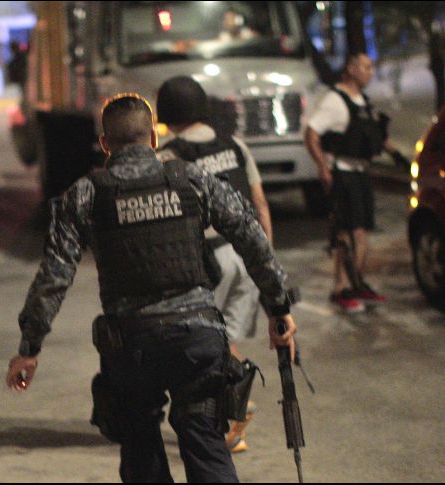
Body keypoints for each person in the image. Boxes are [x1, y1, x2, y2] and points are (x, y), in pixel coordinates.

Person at [5, 93, 297, 483]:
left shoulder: (85, 195)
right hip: (198, 337)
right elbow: (252, 238)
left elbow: (54, 276)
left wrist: (29, 349)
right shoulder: (191, 180)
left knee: (140, 442)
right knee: (206, 441)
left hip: (131, 347)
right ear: (154, 139)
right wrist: (279, 308)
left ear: (105, 143)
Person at [155, 75, 271, 454]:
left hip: (207, 259)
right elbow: (260, 202)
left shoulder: (168, 157)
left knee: (201, 345)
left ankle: (224, 417)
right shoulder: (235, 146)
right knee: (226, 339)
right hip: (246, 253)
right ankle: (234, 419)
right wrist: (266, 259)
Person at [304, 52, 404, 313]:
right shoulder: (336, 101)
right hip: (343, 172)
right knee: (347, 232)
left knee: (363, 231)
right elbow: (311, 133)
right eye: (366, 67)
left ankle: (357, 282)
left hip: (361, 173)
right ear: (351, 68)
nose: (370, 72)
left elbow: (378, 136)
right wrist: (323, 167)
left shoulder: (364, 102)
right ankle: (341, 288)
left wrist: (401, 159)